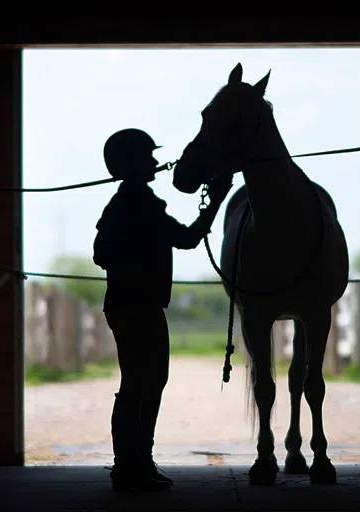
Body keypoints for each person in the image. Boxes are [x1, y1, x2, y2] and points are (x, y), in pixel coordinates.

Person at [93, 128, 233, 491]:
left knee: (143, 383)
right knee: (144, 384)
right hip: (140, 307)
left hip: (128, 305)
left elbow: (101, 253)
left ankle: (136, 463)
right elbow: (186, 239)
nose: (155, 162)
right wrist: (216, 201)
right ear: (132, 163)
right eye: (147, 157)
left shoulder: (124, 204)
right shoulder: (139, 204)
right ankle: (132, 466)